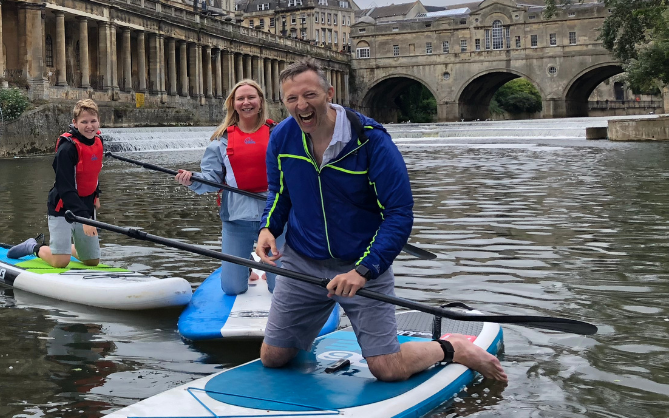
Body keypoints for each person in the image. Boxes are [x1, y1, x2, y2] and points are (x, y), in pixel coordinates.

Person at [255, 59, 505, 382]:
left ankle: (452, 347)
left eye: (309, 95)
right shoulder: (281, 138)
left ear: (329, 93)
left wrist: (364, 270)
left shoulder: (371, 140)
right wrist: (268, 228)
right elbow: (279, 192)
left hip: (361, 265)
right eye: (291, 99)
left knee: (388, 368)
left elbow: (399, 214)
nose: (301, 105)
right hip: (302, 262)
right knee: (272, 358)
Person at [174, 79, 278, 295]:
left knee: (280, 289)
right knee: (232, 289)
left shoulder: (278, 134)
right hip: (236, 218)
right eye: (241, 98)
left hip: (275, 219)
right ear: (233, 103)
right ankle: (247, 264)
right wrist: (192, 179)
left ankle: (271, 269)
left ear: (260, 101)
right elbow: (211, 179)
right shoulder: (220, 140)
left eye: (251, 97)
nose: (246, 102)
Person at [6, 99, 103, 267]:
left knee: (92, 261)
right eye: (84, 122)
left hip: (85, 205)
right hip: (62, 207)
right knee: (60, 262)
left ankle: (64, 248)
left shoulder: (99, 141)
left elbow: (92, 172)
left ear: (99, 121)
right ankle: (34, 246)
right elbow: (65, 187)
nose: (89, 126)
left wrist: (96, 194)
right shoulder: (67, 149)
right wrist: (85, 220)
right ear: (75, 123)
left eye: (93, 121)